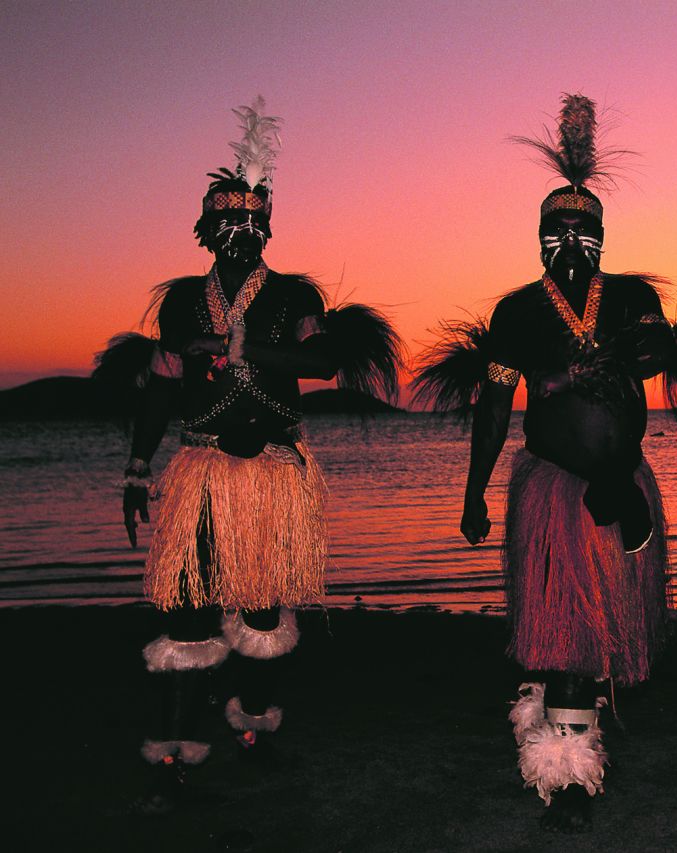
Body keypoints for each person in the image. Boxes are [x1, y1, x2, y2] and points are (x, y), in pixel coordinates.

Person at [413, 93, 677, 832]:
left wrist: (633, 348)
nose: (571, 244)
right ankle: (566, 773)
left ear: (601, 236)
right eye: (557, 232)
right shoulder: (517, 314)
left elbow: (661, 350)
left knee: (598, 630)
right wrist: (475, 491)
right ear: (539, 241)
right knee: (566, 629)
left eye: (583, 232)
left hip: (622, 478)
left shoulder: (631, 298)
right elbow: (494, 408)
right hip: (552, 488)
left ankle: (561, 727)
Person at [95, 97, 401, 812]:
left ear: (269, 226)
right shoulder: (179, 302)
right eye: (228, 222)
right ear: (206, 231)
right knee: (189, 612)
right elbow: (162, 390)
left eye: (254, 221)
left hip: (273, 473)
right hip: (201, 471)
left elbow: (322, 359)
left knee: (263, 615)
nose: (242, 231)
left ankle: (254, 730)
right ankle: (173, 754)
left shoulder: (293, 295)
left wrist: (241, 349)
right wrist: (138, 467)